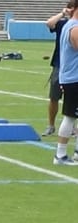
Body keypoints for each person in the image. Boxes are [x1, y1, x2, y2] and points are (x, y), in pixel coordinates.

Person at [54, 1, 78, 165]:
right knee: (70, 117)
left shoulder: (69, 25)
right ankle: (60, 155)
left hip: (70, 77)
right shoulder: (74, 28)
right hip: (74, 78)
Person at [44, 6, 71, 136]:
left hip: (74, 67)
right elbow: (49, 23)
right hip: (59, 64)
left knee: (73, 98)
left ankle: (72, 127)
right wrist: (62, 13)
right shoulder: (62, 24)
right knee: (54, 97)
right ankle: (51, 125)